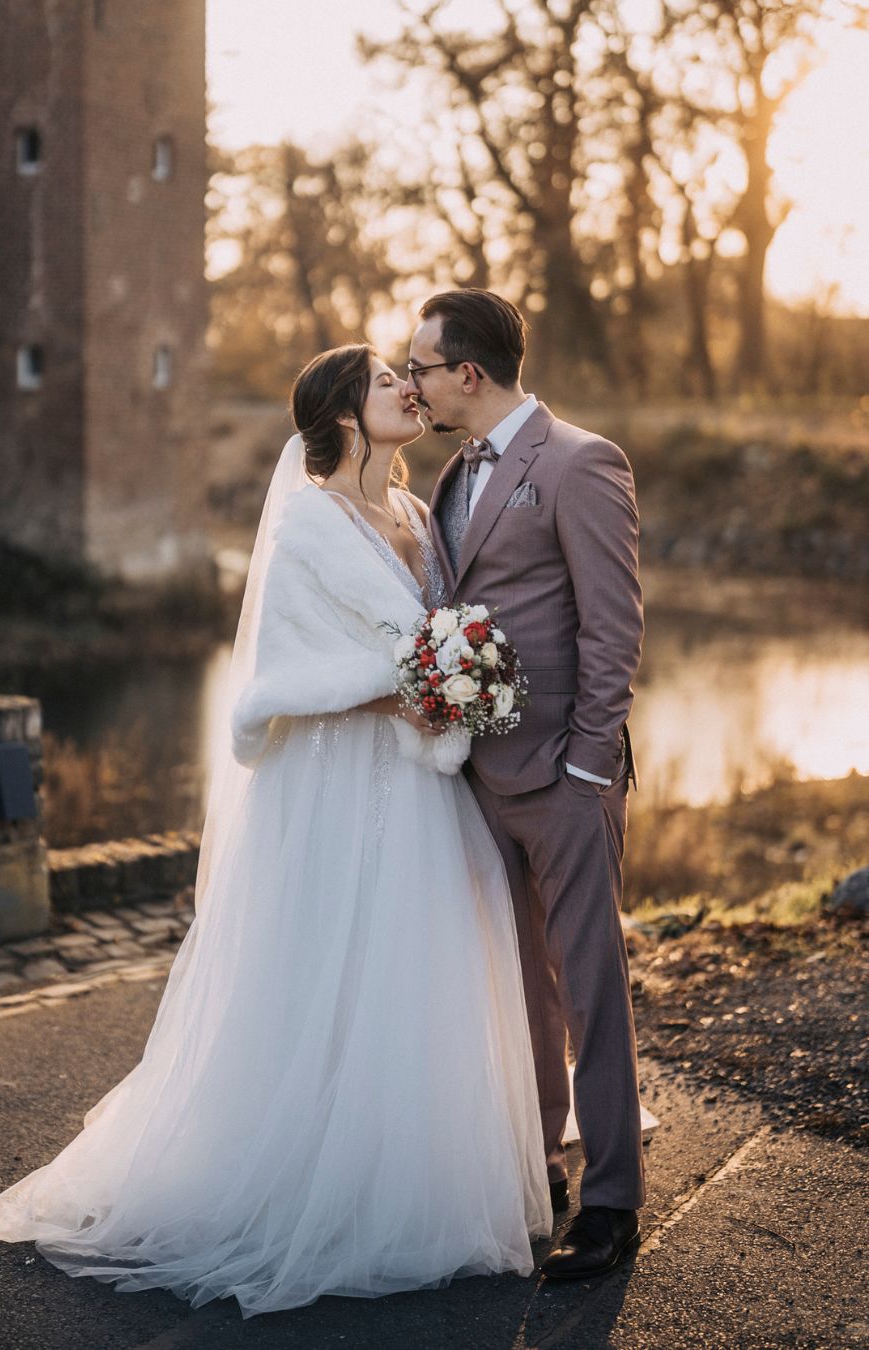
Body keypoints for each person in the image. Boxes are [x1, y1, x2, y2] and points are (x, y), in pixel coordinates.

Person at [0, 343, 552, 1318]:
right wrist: (399, 692)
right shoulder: (309, 523)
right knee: (329, 974)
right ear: (346, 416)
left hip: (420, 785)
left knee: (412, 975)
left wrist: (452, 681)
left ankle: (406, 1181)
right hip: (340, 786)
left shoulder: (410, 512)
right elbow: (281, 680)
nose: (410, 387)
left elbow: (435, 637)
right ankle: (304, 1188)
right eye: (388, 381)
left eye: (411, 375)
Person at [407, 289, 646, 1280]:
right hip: (484, 771)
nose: (410, 381)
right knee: (522, 984)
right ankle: (540, 1164)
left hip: (563, 774)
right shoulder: (453, 473)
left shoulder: (582, 461)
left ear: (468, 372)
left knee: (589, 984)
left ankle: (613, 1200)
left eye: (420, 365)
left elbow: (613, 626)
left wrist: (588, 761)